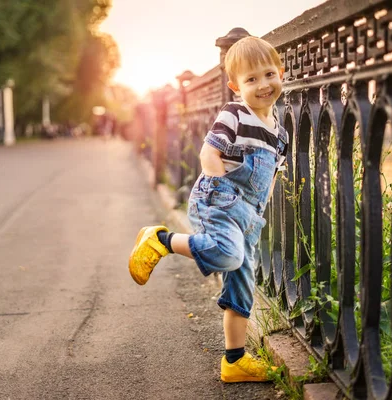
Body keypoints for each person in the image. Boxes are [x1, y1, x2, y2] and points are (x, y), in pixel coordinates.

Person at [128, 36, 288, 383]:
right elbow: (208, 154)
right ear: (235, 86)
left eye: (268, 74)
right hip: (219, 198)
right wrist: (223, 192)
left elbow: (272, 177)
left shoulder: (281, 135)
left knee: (242, 286)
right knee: (229, 256)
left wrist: (257, 214)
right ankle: (162, 240)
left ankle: (234, 361)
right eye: (251, 79)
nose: (263, 85)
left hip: (249, 213)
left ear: (282, 72)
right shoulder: (235, 114)